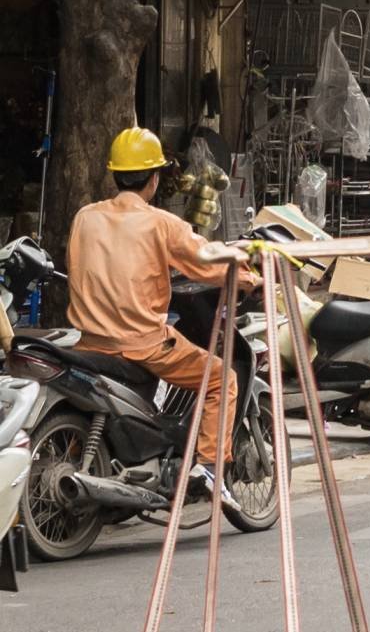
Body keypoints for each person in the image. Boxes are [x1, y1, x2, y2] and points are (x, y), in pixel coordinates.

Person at [66, 128, 255, 510]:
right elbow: (209, 261)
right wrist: (250, 275)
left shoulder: (85, 217)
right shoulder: (160, 224)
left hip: (88, 344)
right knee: (222, 379)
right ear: (154, 179)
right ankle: (208, 467)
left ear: (115, 174)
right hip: (143, 345)